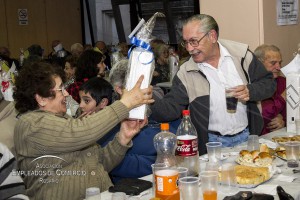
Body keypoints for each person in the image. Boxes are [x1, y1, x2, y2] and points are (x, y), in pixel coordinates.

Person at [13, 61, 153, 200]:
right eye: (61, 89)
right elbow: (80, 131)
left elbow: (100, 163)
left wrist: (123, 138)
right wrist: (125, 104)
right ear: (41, 99)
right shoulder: (31, 125)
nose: (67, 93)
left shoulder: (64, 120)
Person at [150, 14, 276, 155]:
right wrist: (147, 100)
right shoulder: (186, 72)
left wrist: (250, 91)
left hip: (247, 138)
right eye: (185, 42)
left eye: (194, 41)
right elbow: (170, 108)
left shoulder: (242, 56)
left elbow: (269, 84)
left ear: (212, 36)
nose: (189, 48)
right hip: (212, 144)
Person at [77, 60, 179, 183]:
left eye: (146, 84)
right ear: (119, 89)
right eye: (137, 86)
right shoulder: (109, 123)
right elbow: (117, 163)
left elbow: (184, 144)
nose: (147, 90)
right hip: (135, 187)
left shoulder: (159, 110)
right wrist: (162, 162)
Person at [254, 44, 286, 135]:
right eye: (273, 63)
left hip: (281, 136)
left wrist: (283, 121)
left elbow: (294, 114)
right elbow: (260, 115)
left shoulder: (283, 82)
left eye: (280, 63)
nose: (278, 67)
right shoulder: (252, 83)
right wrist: (283, 97)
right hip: (258, 138)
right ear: (258, 63)